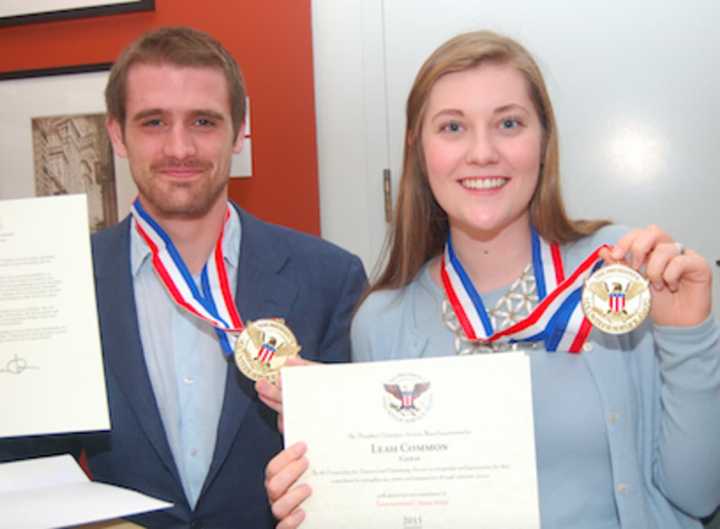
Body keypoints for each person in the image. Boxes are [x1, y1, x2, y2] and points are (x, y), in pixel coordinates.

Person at [262, 31, 720, 529]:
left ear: (544, 139)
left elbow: (697, 497)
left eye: (508, 123)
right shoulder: (382, 321)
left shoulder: (617, 274)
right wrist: (329, 486)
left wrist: (687, 335)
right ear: (419, 149)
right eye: (453, 127)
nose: (482, 153)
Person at [0, 27, 366, 528]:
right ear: (116, 134)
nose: (180, 148)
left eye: (203, 121)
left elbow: (363, 468)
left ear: (239, 132)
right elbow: (26, 468)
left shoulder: (330, 277)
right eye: (153, 122)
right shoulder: (62, 282)